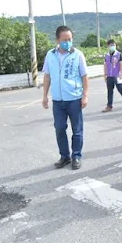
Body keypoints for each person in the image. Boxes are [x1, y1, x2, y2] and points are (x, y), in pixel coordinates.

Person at [42, 26, 89, 170]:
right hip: (58, 100)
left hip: (74, 98)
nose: (67, 42)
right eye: (64, 40)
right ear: (57, 40)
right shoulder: (50, 55)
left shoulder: (78, 55)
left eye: (70, 39)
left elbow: (84, 76)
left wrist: (85, 96)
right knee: (60, 128)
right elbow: (47, 76)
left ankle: (76, 156)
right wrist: (44, 96)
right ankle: (64, 156)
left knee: (77, 129)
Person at [102, 39, 122, 112]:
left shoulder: (118, 54)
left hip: (117, 75)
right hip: (109, 76)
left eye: (114, 45)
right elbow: (105, 65)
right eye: (111, 45)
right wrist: (105, 75)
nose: (113, 47)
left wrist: (121, 73)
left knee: (121, 90)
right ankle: (109, 106)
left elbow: (121, 63)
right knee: (109, 91)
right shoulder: (107, 55)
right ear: (108, 46)